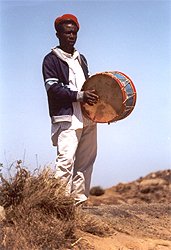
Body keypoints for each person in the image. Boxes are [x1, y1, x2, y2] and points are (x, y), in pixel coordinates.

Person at [42, 14, 99, 206]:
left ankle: (78, 205)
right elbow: (53, 89)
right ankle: (59, 205)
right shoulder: (51, 60)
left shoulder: (81, 59)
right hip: (67, 119)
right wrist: (79, 96)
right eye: (67, 32)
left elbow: (88, 84)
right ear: (57, 34)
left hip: (88, 118)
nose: (71, 36)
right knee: (65, 162)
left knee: (85, 163)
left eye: (74, 32)